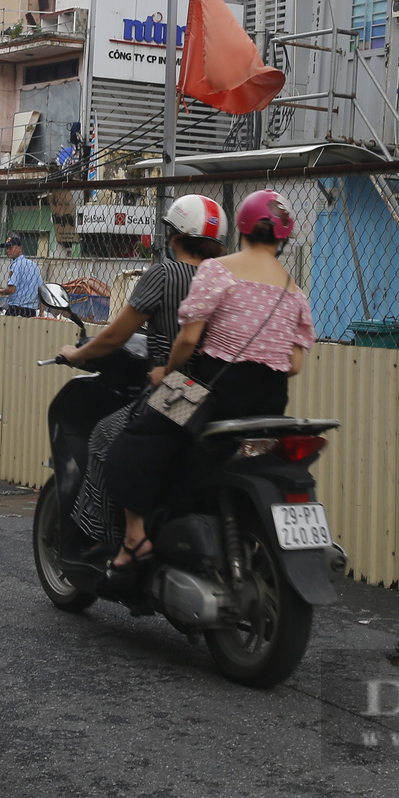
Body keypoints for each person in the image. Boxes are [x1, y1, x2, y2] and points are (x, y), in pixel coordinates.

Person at [102, 189, 315, 570]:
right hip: (270, 403)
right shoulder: (295, 292)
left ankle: (134, 538)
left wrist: (166, 374)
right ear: (283, 238)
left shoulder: (218, 270)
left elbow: (187, 339)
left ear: (244, 228)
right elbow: (294, 364)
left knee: (127, 445)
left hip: (205, 390)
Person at [63, 194, 226, 547]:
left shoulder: (165, 274)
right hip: (215, 392)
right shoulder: (224, 280)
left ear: (174, 236)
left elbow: (114, 336)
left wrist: (78, 355)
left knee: (105, 438)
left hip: (178, 389)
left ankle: (116, 542)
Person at [0, 234, 43, 317]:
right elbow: (42, 292)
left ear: (20, 248)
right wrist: (41, 313)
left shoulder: (16, 265)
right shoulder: (34, 266)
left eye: (11, 247)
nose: (8, 250)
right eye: (7, 248)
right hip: (31, 312)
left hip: (16, 310)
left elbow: (12, 290)